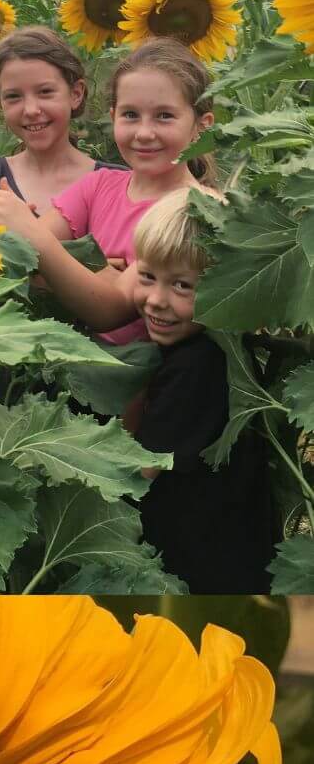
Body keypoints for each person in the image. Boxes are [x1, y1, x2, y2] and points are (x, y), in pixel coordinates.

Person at [0, 38, 215, 343]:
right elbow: (19, 266)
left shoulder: (196, 209)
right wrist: (80, 265)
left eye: (164, 116)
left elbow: (109, 309)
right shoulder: (98, 185)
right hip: (84, 362)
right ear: (113, 117)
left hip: (156, 369)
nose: (144, 132)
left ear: (202, 125)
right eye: (130, 115)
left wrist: (31, 234)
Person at [128, 187, 277, 591]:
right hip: (224, 550)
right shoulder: (216, 346)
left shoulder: (199, 366)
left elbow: (139, 472)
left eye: (181, 286)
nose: (156, 300)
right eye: (147, 276)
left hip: (197, 567)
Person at [0, 27, 110, 209]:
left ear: (75, 94)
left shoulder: (116, 184)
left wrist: (23, 223)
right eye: (13, 96)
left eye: (45, 92)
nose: (31, 110)